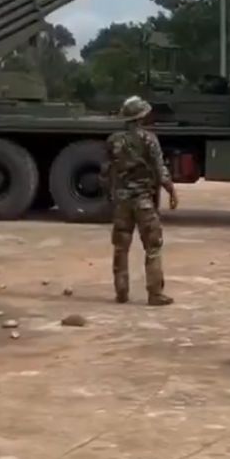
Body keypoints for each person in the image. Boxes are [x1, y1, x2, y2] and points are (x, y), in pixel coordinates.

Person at [100, 95, 178, 306]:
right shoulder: (149, 139)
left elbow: (106, 172)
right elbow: (161, 172)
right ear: (142, 116)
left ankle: (121, 292)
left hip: (122, 202)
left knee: (121, 247)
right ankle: (154, 293)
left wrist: (111, 194)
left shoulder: (113, 140)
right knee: (153, 246)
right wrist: (171, 191)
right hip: (144, 200)